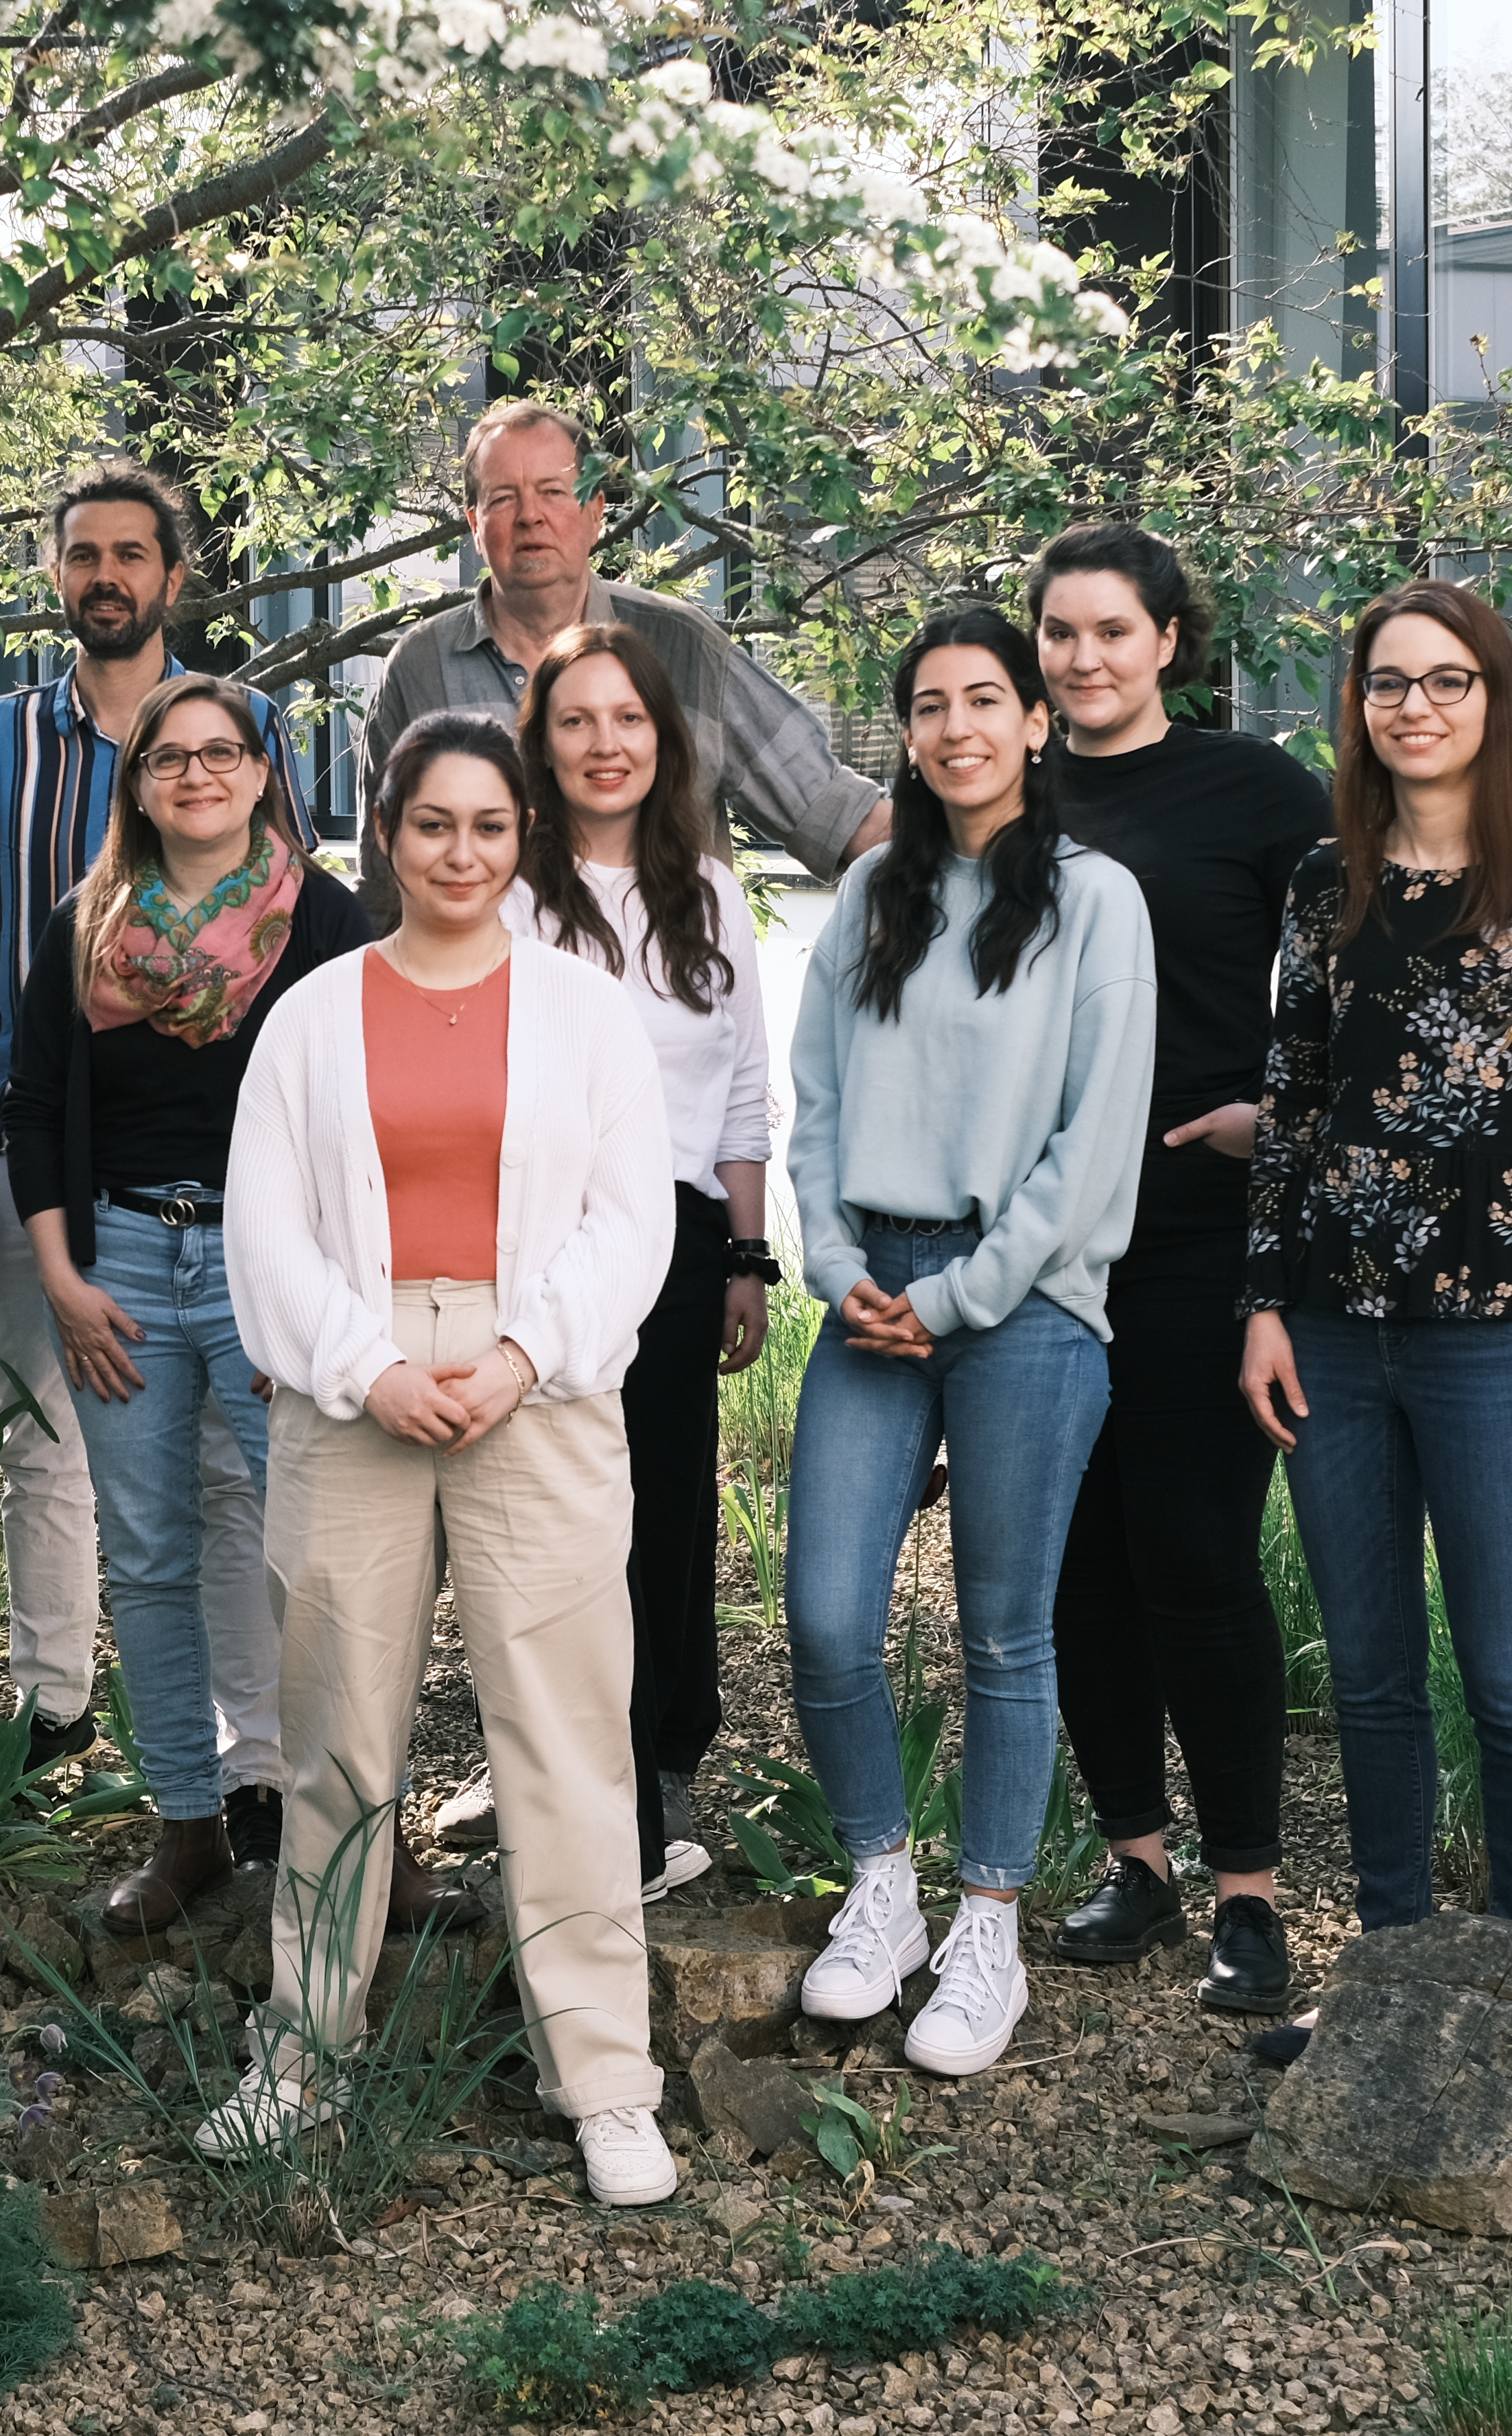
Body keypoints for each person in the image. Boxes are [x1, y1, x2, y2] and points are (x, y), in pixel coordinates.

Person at [204, 714, 681, 2209]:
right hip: (356, 1388)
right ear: (384, 834)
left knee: (565, 1741)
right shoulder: (312, 1014)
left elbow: (632, 1220)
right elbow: (264, 1229)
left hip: (539, 1382)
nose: (461, 852)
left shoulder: (587, 1012)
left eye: (488, 824)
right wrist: (373, 1369)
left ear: (523, 835)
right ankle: (302, 2055)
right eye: (431, 825)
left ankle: (605, 2077)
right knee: (339, 1745)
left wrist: (522, 1356)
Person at [1241, 579, 1512, 1942]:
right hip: (1335, 1331)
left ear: (1494, 696)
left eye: (1446, 680)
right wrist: (1264, 1305)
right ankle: (1391, 1969)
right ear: (1358, 706)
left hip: (1498, 1336)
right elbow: (1290, 1102)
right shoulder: (1323, 875)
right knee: (1367, 1677)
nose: (1415, 706)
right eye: (1388, 683)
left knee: (1509, 1683)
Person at [783, 607, 1155, 2080]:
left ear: (1037, 723)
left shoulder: (1094, 900)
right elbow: (811, 1102)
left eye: (985, 701)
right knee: (822, 1614)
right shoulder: (873, 887)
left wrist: (957, 1297)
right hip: (867, 1281)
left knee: (1007, 1629)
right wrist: (832, 1265)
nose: (957, 730)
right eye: (930, 706)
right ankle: (882, 1884)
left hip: (1030, 1302)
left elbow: (1092, 1137)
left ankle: (988, 1922)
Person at [0, 465, 305, 1828]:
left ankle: (250, 1757)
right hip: (45, 1149)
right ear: (58, 574)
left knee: (228, 1470)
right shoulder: (0, 738)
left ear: (172, 571)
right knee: (50, 1442)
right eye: (82, 554)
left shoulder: (247, 725)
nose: (106, 574)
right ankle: (56, 1705)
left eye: (130, 553)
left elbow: (293, 932)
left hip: (234, 1175)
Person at [0, 676, 374, 1932]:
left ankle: (358, 1833)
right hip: (124, 1265)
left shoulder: (326, 921)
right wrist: (61, 1277)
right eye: (170, 758)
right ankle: (189, 1826)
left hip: (277, 1267)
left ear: (267, 774)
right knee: (152, 1557)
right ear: (139, 782)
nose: (198, 775)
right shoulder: (85, 923)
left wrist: (309, 1302)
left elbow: (358, 1122)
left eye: (223, 753)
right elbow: (37, 1106)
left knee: (318, 1558)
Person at [1024, 529, 1332, 2019]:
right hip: (1040, 1247)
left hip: (1205, 1236)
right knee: (1079, 1570)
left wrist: (1272, 1120)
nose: (1084, 658)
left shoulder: (1258, 792)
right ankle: (1136, 1859)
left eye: (1111, 631)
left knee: (1197, 1560)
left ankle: (1251, 1895)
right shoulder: (1004, 795)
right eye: (1060, 634)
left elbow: (1357, 1001)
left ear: (1168, 640)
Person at [501, 622, 775, 1902]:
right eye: (577, 721)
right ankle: (562, 1772)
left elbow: (741, 1094)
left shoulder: (707, 890)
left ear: (663, 741)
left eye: (628, 721)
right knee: (551, 1515)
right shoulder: (507, 888)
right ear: (541, 742)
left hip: (675, 1245)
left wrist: (751, 1255)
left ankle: (659, 1768)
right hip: (538, 1241)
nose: (604, 745)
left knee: (662, 1511)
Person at [355, 398, 889, 902]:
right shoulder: (420, 669)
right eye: (503, 498)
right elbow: (383, 887)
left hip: (668, 987)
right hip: (481, 997)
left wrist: (965, 849)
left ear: (596, 513)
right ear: (475, 524)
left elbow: (837, 815)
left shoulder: (683, 648)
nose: (529, 516)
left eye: (553, 492)